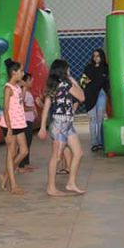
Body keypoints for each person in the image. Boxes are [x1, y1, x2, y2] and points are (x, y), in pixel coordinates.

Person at [39, 59, 86, 196]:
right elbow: (82, 97)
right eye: (68, 68)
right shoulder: (66, 84)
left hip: (66, 124)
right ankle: (51, 187)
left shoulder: (53, 85)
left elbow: (46, 107)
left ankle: (71, 183)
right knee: (56, 157)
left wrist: (43, 127)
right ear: (64, 70)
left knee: (78, 152)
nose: (69, 70)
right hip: (60, 125)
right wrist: (73, 80)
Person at [0, 59, 29, 194]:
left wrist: (22, 83)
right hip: (10, 124)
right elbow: (5, 109)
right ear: (14, 72)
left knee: (24, 151)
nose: (23, 73)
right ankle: (13, 186)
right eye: (21, 71)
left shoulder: (17, 86)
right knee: (11, 153)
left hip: (19, 123)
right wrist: (9, 130)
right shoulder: (8, 88)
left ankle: (6, 175)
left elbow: (23, 89)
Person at [82, 48, 109, 152]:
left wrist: (93, 81)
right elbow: (83, 81)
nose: (95, 58)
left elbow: (106, 82)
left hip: (101, 93)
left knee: (100, 119)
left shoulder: (106, 68)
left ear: (102, 56)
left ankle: (100, 141)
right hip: (90, 94)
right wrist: (87, 82)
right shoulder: (88, 67)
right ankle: (94, 143)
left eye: (98, 56)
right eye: (94, 56)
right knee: (93, 119)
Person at [19, 72, 37, 171]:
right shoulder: (23, 93)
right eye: (30, 80)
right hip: (25, 120)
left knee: (28, 142)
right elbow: (22, 107)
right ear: (25, 81)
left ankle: (26, 163)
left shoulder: (28, 92)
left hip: (29, 120)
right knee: (24, 143)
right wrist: (32, 109)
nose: (32, 82)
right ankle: (20, 165)